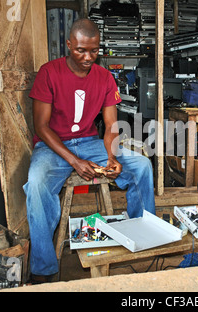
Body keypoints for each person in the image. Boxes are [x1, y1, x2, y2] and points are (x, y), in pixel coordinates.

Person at [23, 19, 156, 282]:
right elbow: (41, 126)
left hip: (89, 143)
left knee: (141, 165)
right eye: (81, 50)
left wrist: (112, 156)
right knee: (36, 183)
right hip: (53, 146)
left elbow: (110, 125)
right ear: (69, 45)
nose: (87, 57)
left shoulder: (105, 77)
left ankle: (144, 234)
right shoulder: (49, 72)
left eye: (94, 51)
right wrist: (74, 160)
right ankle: (43, 268)